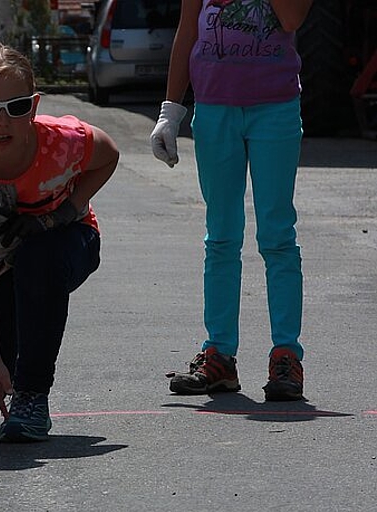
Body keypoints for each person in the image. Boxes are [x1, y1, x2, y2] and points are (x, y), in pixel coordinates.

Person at [0, 40, 119, 442]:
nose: (1, 122)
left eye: (15, 108)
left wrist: (68, 210)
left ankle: (32, 397)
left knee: (37, 258)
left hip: (66, 244)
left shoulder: (64, 140)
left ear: (33, 105)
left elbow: (109, 155)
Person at [151, 0, 313, 401]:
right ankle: (220, 355)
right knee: (221, 236)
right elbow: (187, 31)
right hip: (214, 109)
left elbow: (292, 18)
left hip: (274, 109)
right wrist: (170, 111)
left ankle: (286, 356)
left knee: (277, 236)